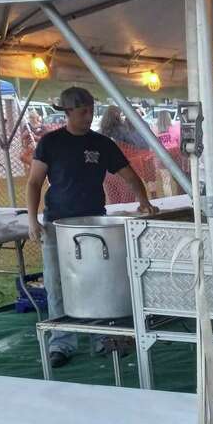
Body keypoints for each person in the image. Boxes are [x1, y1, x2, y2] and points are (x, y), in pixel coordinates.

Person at [26, 87, 154, 367]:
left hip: (94, 222)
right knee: (56, 282)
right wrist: (31, 219)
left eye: (91, 110)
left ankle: (102, 336)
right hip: (57, 224)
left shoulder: (102, 143)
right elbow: (34, 182)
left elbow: (130, 175)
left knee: (97, 281)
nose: (89, 116)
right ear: (68, 112)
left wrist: (144, 201)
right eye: (83, 111)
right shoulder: (50, 142)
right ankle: (61, 341)